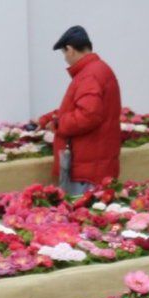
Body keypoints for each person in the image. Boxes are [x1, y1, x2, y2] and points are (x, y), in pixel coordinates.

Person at [50, 25, 122, 195]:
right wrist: (50, 117)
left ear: (70, 49)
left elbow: (88, 115)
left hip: (86, 169)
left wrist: (59, 123)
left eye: (64, 54)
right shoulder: (98, 69)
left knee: (81, 215)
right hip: (95, 163)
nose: (66, 59)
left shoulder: (89, 75)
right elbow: (84, 106)